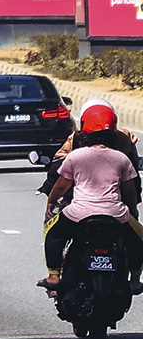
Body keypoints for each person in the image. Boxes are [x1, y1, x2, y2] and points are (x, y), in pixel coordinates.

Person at [41, 101, 143, 292]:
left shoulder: (75, 155)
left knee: (52, 233)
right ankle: (135, 279)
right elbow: (130, 192)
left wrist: (51, 202)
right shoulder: (122, 156)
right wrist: (132, 210)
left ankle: (54, 276)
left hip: (79, 213)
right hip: (115, 214)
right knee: (139, 239)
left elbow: (61, 184)